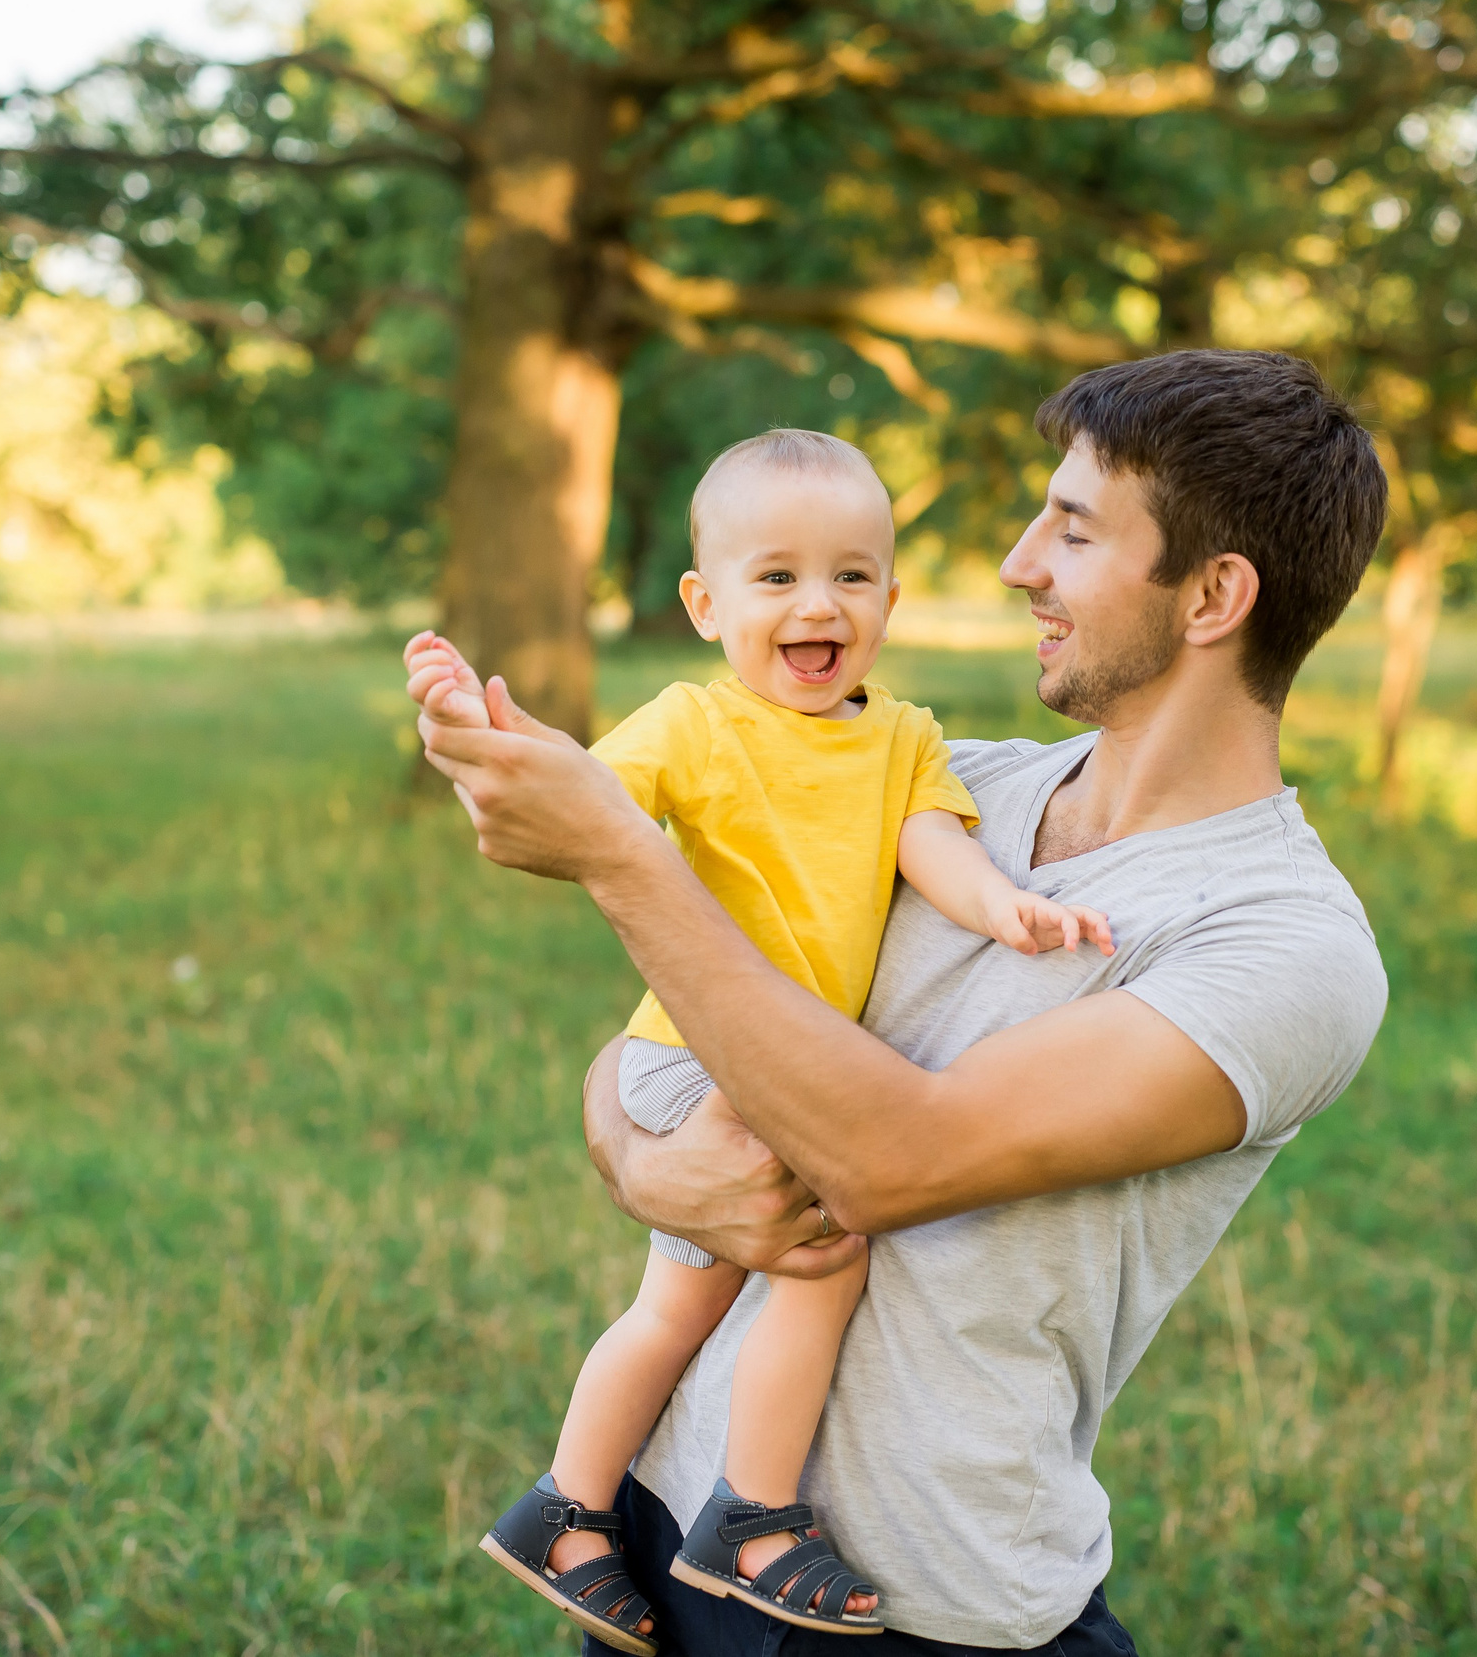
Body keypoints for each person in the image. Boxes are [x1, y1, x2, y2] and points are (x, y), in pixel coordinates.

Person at [417, 349, 1392, 1654]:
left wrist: (616, 855)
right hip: (665, 1516)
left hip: (916, 1604)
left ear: (1215, 594)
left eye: (1074, 526)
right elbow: (656, 1041)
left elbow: (889, 1161)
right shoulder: (937, 780)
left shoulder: (1283, 944)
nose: (1016, 561)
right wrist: (646, 1164)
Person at [409, 429, 1112, 1652]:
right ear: (705, 603)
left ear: (890, 599)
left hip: (758, 1066)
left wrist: (1009, 906)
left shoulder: (901, 736)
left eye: (850, 575)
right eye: (775, 577)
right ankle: (755, 1515)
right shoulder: (692, 722)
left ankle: (570, 1511)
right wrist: (494, 738)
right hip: (690, 1056)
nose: (816, 604)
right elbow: (593, 803)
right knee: (821, 1252)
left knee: (679, 1306)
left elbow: (932, 844)